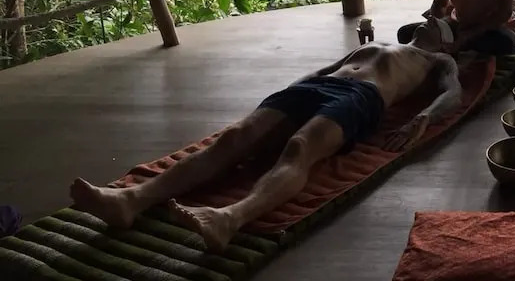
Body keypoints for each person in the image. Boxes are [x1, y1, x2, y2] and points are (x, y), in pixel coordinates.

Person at [69, 19, 464, 251]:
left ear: (446, 39)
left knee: (300, 147)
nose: (429, 20)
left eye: (437, 23)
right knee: (235, 137)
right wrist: (289, 94)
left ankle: (229, 218)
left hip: (363, 97)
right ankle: (131, 199)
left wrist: (424, 116)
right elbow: (324, 68)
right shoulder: (380, 43)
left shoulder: (438, 59)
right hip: (317, 86)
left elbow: (454, 93)